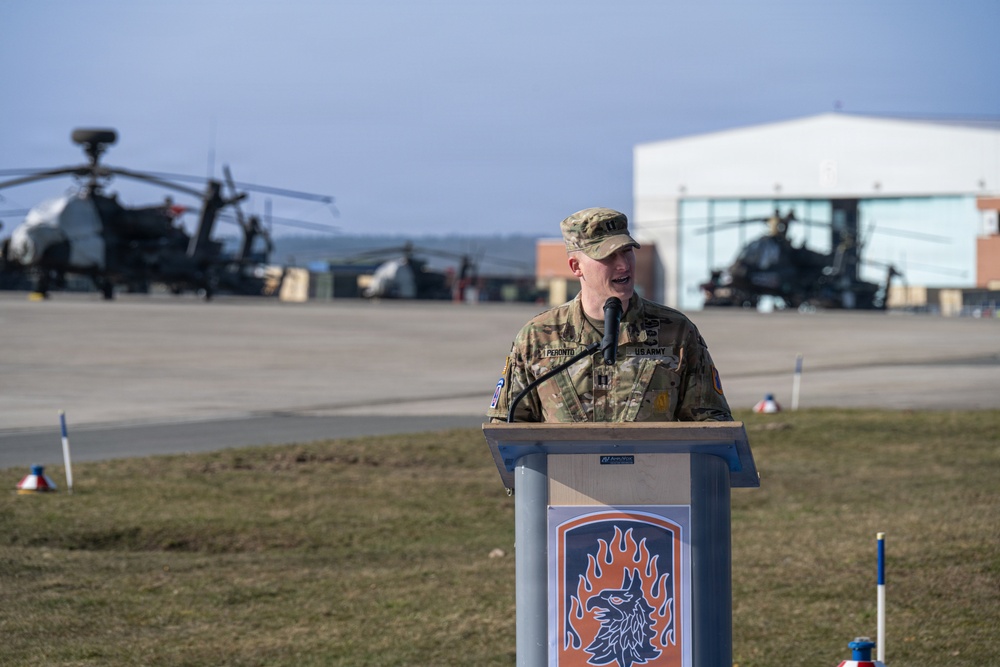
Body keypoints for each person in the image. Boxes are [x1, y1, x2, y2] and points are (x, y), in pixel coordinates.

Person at [487, 207, 732, 423]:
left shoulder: (676, 332)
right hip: (565, 475)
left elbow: (712, 426)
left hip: (652, 474)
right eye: (608, 256)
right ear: (576, 266)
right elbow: (508, 427)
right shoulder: (537, 338)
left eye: (626, 251)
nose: (624, 265)